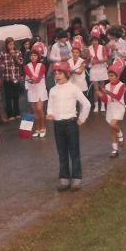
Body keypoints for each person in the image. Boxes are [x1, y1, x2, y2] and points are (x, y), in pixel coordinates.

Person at [46, 61, 91, 192]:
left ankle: (76, 180)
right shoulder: (53, 90)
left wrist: (82, 119)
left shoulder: (73, 88)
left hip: (71, 124)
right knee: (62, 153)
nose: (57, 75)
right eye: (55, 73)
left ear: (66, 74)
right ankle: (64, 180)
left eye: (60, 73)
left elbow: (86, 104)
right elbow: (50, 105)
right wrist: (50, 113)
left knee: (74, 152)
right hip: (58, 125)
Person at [97, 59, 126, 158]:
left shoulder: (122, 85)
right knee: (112, 130)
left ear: (117, 76)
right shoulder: (107, 85)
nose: (110, 78)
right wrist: (101, 95)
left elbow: (118, 97)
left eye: (112, 76)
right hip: (110, 109)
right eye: (109, 76)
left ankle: (121, 135)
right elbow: (105, 100)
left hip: (119, 108)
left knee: (113, 124)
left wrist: (108, 92)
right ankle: (115, 150)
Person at [24, 44, 48, 138]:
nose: (33, 57)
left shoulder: (42, 66)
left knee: (39, 109)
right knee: (34, 112)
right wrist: (32, 80)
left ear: (38, 56)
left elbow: (38, 79)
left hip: (40, 89)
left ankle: (43, 127)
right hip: (32, 90)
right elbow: (30, 76)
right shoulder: (26, 66)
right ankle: (37, 128)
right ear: (29, 57)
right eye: (32, 55)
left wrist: (33, 80)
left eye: (35, 55)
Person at [0, 37, 24, 120]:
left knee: (16, 96)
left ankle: (17, 113)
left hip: (15, 77)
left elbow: (20, 62)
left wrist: (14, 56)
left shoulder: (18, 52)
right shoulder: (3, 53)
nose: (11, 46)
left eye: (12, 44)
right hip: (7, 77)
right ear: (6, 45)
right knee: (8, 97)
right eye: (9, 44)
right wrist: (3, 67)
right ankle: (10, 114)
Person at [86, 30, 109, 113]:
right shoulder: (89, 48)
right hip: (94, 70)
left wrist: (98, 61)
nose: (94, 42)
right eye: (93, 40)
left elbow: (106, 58)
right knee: (95, 88)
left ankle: (103, 104)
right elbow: (87, 60)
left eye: (95, 40)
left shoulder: (102, 47)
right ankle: (96, 106)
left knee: (102, 87)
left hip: (102, 69)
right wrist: (88, 60)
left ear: (98, 40)